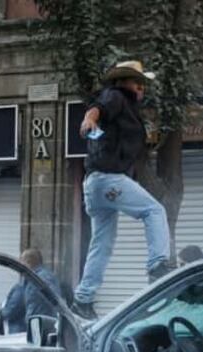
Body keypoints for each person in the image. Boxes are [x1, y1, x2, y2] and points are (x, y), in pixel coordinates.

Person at [72, 60, 172, 320]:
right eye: (138, 83)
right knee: (154, 211)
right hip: (109, 180)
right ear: (124, 81)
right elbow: (98, 108)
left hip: (94, 184)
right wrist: (89, 119)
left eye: (143, 84)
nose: (142, 88)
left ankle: (83, 299)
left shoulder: (126, 108)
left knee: (102, 243)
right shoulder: (116, 96)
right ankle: (158, 264)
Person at [21, 248, 62, 322]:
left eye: (22, 262)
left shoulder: (43, 277)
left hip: (44, 324)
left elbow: (55, 300)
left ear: (28, 262)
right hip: (35, 322)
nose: (21, 265)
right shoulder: (32, 277)